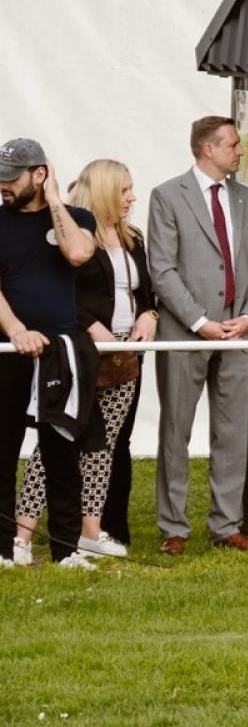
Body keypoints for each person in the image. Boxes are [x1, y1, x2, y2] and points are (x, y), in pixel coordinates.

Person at [14, 160, 158, 561]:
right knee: (58, 439)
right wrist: (91, 325)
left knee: (103, 444)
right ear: (104, 190)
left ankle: (90, 531)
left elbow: (145, 292)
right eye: (124, 190)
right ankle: (22, 534)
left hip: (124, 356)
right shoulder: (71, 234)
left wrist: (150, 314)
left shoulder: (133, 238)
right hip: (78, 352)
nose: (131, 197)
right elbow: (58, 291)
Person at [147, 115, 248, 554]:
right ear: (208, 148)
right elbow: (162, 269)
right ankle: (174, 528)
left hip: (239, 334)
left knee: (234, 431)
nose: (240, 151)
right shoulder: (167, 196)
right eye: (233, 144)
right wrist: (200, 321)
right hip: (186, 332)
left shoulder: (247, 200)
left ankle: (226, 526)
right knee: (175, 430)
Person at [0, 139, 98, 568]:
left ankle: (66, 550)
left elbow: (77, 254)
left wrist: (54, 198)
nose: (3, 186)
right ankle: (2, 549)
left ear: (39, 174)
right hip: (7, 349)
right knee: (2, 450)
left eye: (11, 178)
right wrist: (17, 330)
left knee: (61, 452)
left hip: (60, 352)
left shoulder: (77, 218)